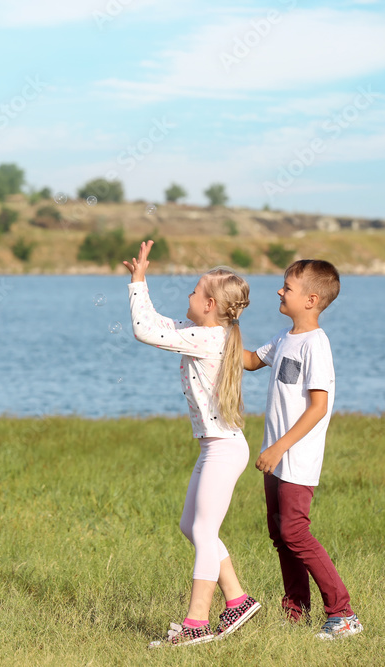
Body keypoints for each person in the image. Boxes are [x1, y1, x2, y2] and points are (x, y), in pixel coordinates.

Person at [122, 241, 262, 649]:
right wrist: (139, 280)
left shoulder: (209, 339)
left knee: (203, 529)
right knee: (192, 526)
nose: (189, 294)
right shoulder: (203, 333)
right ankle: (237, 599)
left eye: (196, 290)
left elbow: (144, 331)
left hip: (224, 447)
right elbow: (156, 323)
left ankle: (196, 624)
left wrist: (136, 284)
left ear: (210, 305)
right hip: (214, 447)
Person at [243, 259, 362, 640]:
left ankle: (343, 614)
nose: (280, 291)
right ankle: (296, 611)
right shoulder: (283, 338)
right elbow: (247, 362)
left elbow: (318, 406)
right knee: (281, 535)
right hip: (277, 462)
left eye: (287, 287)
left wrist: (278, 448)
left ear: (311, 299)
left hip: (295, 460)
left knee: (295, 533)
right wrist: (220, 327)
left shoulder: (316, 344)